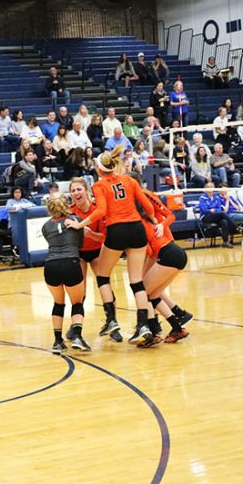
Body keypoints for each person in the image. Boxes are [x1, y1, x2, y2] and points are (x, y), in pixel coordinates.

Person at [63, 146, 162, 346]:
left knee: (102, 277)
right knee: (137, 281)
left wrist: (80, 224)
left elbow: (101, 211)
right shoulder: (129, 180)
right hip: (137, 229)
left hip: (117, 230)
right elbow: (148, 206)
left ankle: (111, 320)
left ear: (99, 169)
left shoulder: (100, 185)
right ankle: (142, 325)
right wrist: (154, 221)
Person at [127, 172, 192, 343]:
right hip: (174, 253)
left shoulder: (139, 222)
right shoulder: (145, 219)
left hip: (168, 254)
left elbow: (147, 247)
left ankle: (154, 332)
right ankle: (178, 327)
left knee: (144, 293)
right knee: (153, 295)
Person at [68, 177, 122, 342]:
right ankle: (75, 326)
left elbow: (104, 238)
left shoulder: (96, 210)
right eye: (73, 190)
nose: (76, 193)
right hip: (79, 252)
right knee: (79, 290)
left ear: (86, 191)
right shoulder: (69, 212)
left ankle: (112, 323)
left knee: (104, 283)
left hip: (98, 251)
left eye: (79, 189)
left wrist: (90, 234)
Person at [42, 194, 90, 353]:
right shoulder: (75, 219)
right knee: (77, 303)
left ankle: (57, 342)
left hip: (51, 265)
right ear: (66, 205)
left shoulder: (46, 226)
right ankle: (77, 336)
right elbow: (80, 244)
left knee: (58, 303)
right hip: (70, 262)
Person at [198, 182, 235, 248]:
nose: (210, 188)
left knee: (224, 221)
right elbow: (203, 209)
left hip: (216, 216)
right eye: (208, 187)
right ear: (205, 189)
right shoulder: (202, 198)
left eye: (211, 186)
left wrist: (213, 210)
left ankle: (225, 242)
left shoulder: (216, 197)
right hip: (206, 217)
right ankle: (235, 226)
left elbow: (219, 208)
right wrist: (210, 210)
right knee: (222, 213)